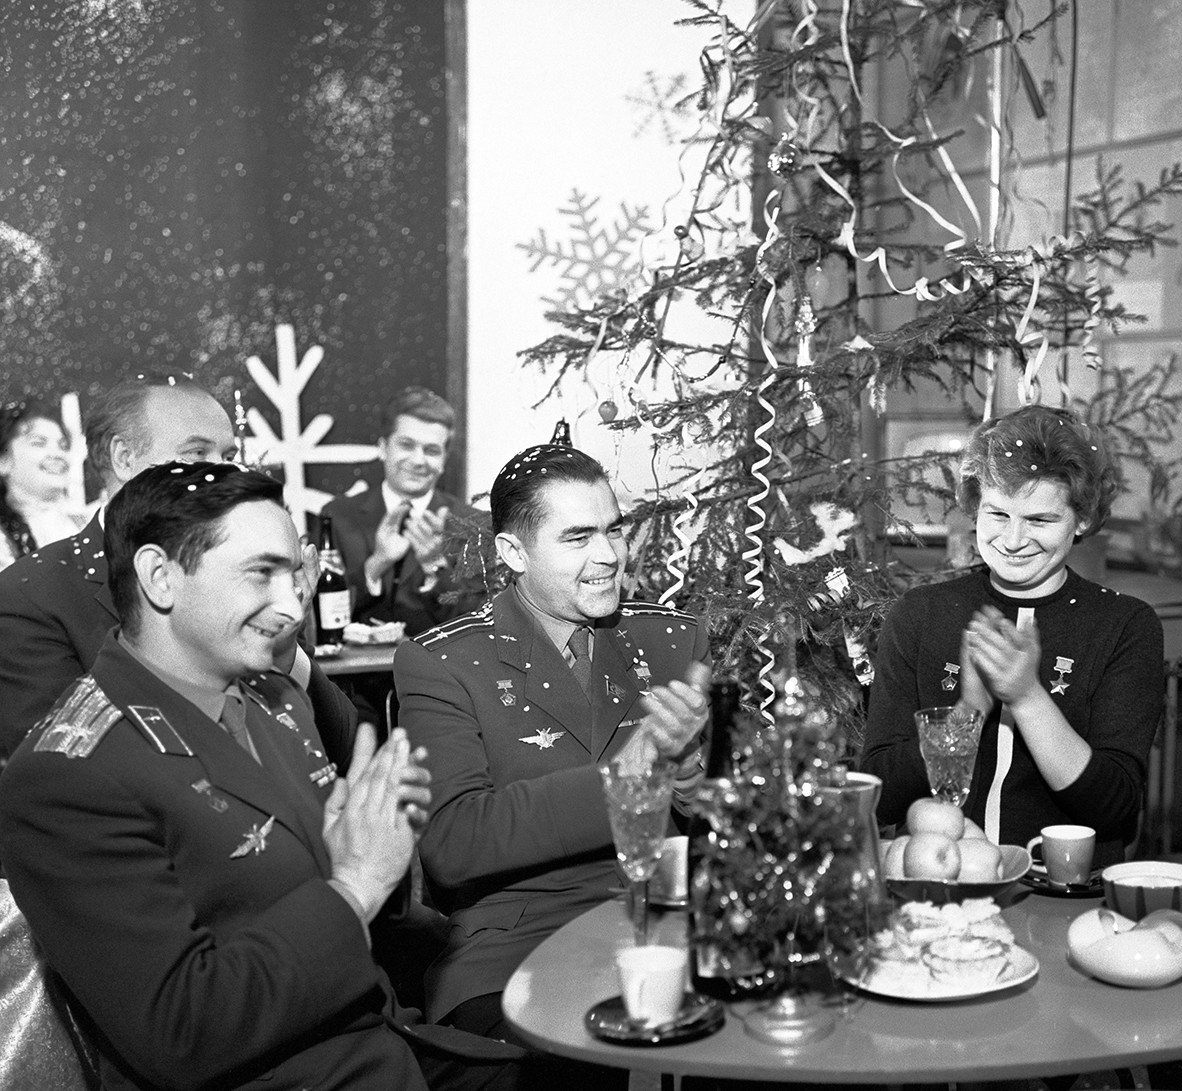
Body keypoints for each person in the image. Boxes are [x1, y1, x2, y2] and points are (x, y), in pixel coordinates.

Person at [0, 460, 434, 1091]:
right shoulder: (67, 777)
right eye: (262, 573)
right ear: (160, 578)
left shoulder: (269, 699)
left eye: (294, 575)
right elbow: (181, 1031)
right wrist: (354, 885)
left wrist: (373, 848)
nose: (291, 606)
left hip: (388, 1042)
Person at [394, 442, 711, 1080]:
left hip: (670, 924)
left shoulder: (670, 637)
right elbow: (454, 845)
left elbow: (723, 821)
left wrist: (692, 779)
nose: (608, 556)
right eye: (577, 537)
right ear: (514, 553)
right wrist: (634, 769)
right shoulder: (446, 662)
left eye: (613, 530)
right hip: (517, 943)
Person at [859, 405, 1164, 868]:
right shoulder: (920, 614)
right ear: (974, 506)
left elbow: (1114, 806)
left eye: (1040, 520)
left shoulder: (1123, 625)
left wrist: (1026, 698)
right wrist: (968, 714)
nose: (1013, 539)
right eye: (997, 513)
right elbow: (878, 795)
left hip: (1067, 894)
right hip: (939, 887)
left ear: (1081, 520)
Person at [0, 373, 355, 766]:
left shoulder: (245, 578)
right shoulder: (30, 599)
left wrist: (284, 651)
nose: (221, 473)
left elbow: (341, 746)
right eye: (196, 454)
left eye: (228, 457)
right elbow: (65, 775)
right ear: (123, 457)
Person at [322, 387, 483, 637]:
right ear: (383, 448)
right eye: (406, 445)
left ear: (443, 461)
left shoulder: (474, 524)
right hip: (351, 675)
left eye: (431, 450)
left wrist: (435, 568)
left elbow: (480, 625)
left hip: (439, 673)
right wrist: (376, 564)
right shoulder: (337, 516)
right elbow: (316, 614)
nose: (418, 461)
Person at [0, 399, 87, 571]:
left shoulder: (87, 522)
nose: (57, 454)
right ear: (3, 461)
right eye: (39, 443)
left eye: (63, 446)